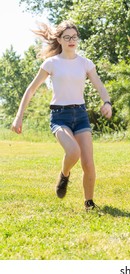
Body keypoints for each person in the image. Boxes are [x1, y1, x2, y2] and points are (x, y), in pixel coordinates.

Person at [11, 20, 112, 211]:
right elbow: (31, 90)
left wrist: (106, 102)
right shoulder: (51, 63)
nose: (71, 40)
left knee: (88, 163)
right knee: (73, 151)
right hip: (60, 115)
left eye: (74, 37)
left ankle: (89, 202)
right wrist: (19, 116)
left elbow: (100, 86)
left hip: (80, 114)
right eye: (67, 37)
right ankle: (64, 175)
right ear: (59, 40)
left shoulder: (85, 63)